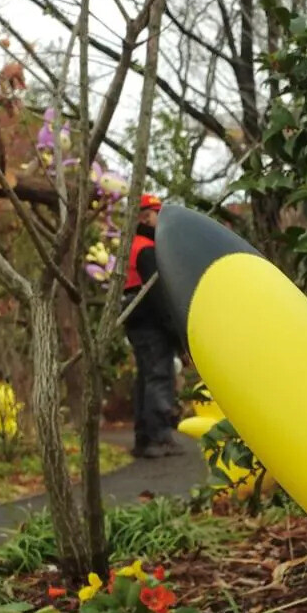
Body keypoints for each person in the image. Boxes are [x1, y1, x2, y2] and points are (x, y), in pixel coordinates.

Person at [124, 194, 185, 457]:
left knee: (146, 378)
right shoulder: (147, 249)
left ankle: (144, 438)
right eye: (153, 214)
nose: (158, 219)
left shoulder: (132, 245)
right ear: (144, 217)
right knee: (159, 376)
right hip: (151, 322)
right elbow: (158, 295)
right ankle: (158, 437)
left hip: (137, 321)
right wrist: (174, 330)